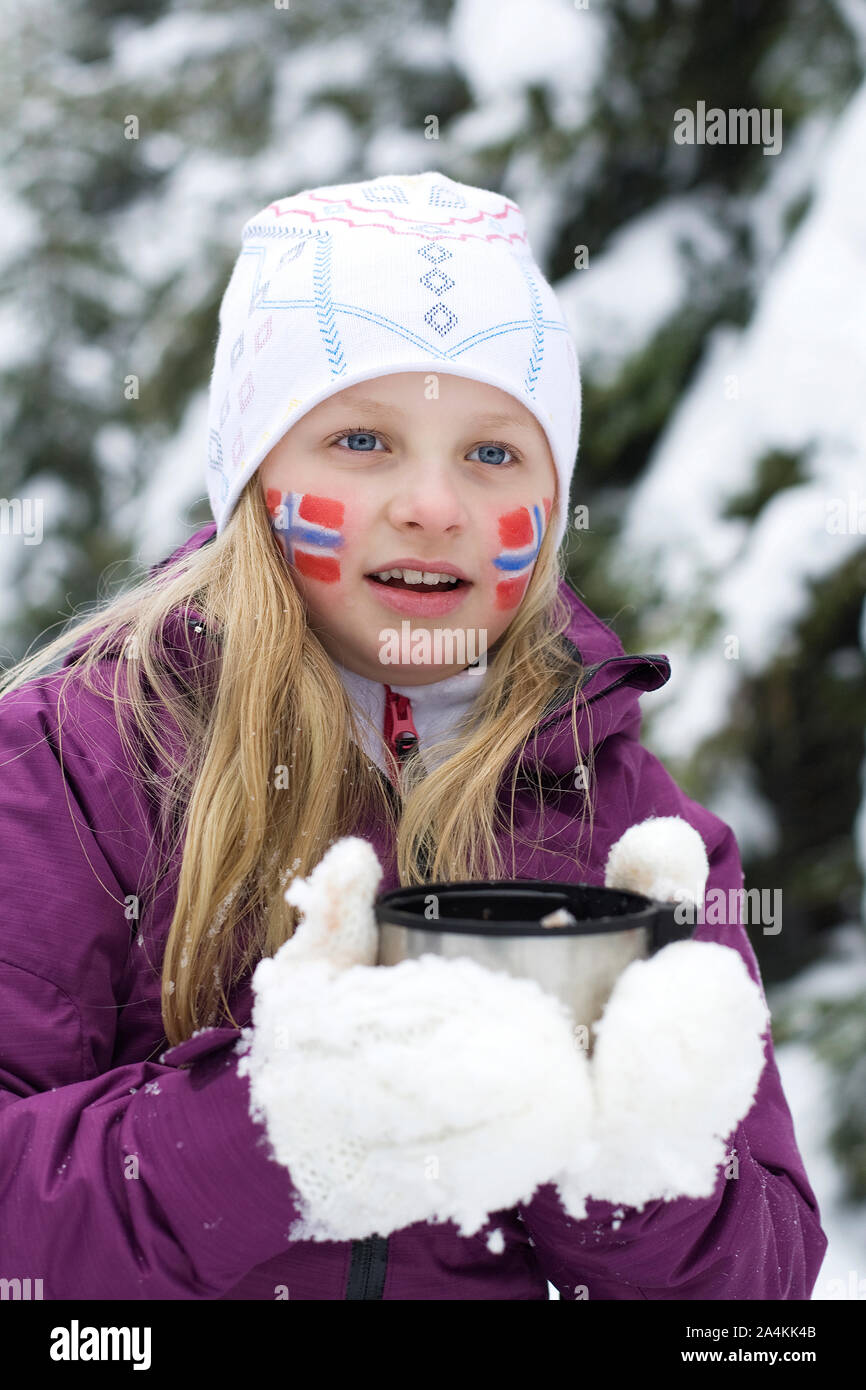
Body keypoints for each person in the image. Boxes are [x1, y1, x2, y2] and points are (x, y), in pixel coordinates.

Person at [0, 172, 827, 1300]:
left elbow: (756, 1295)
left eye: (493, 453)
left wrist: (640, 1155)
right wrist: (271, 1126)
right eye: (361, 438)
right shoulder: (76, 762)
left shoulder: (627, 820)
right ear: (254, 478)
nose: (434, 504)